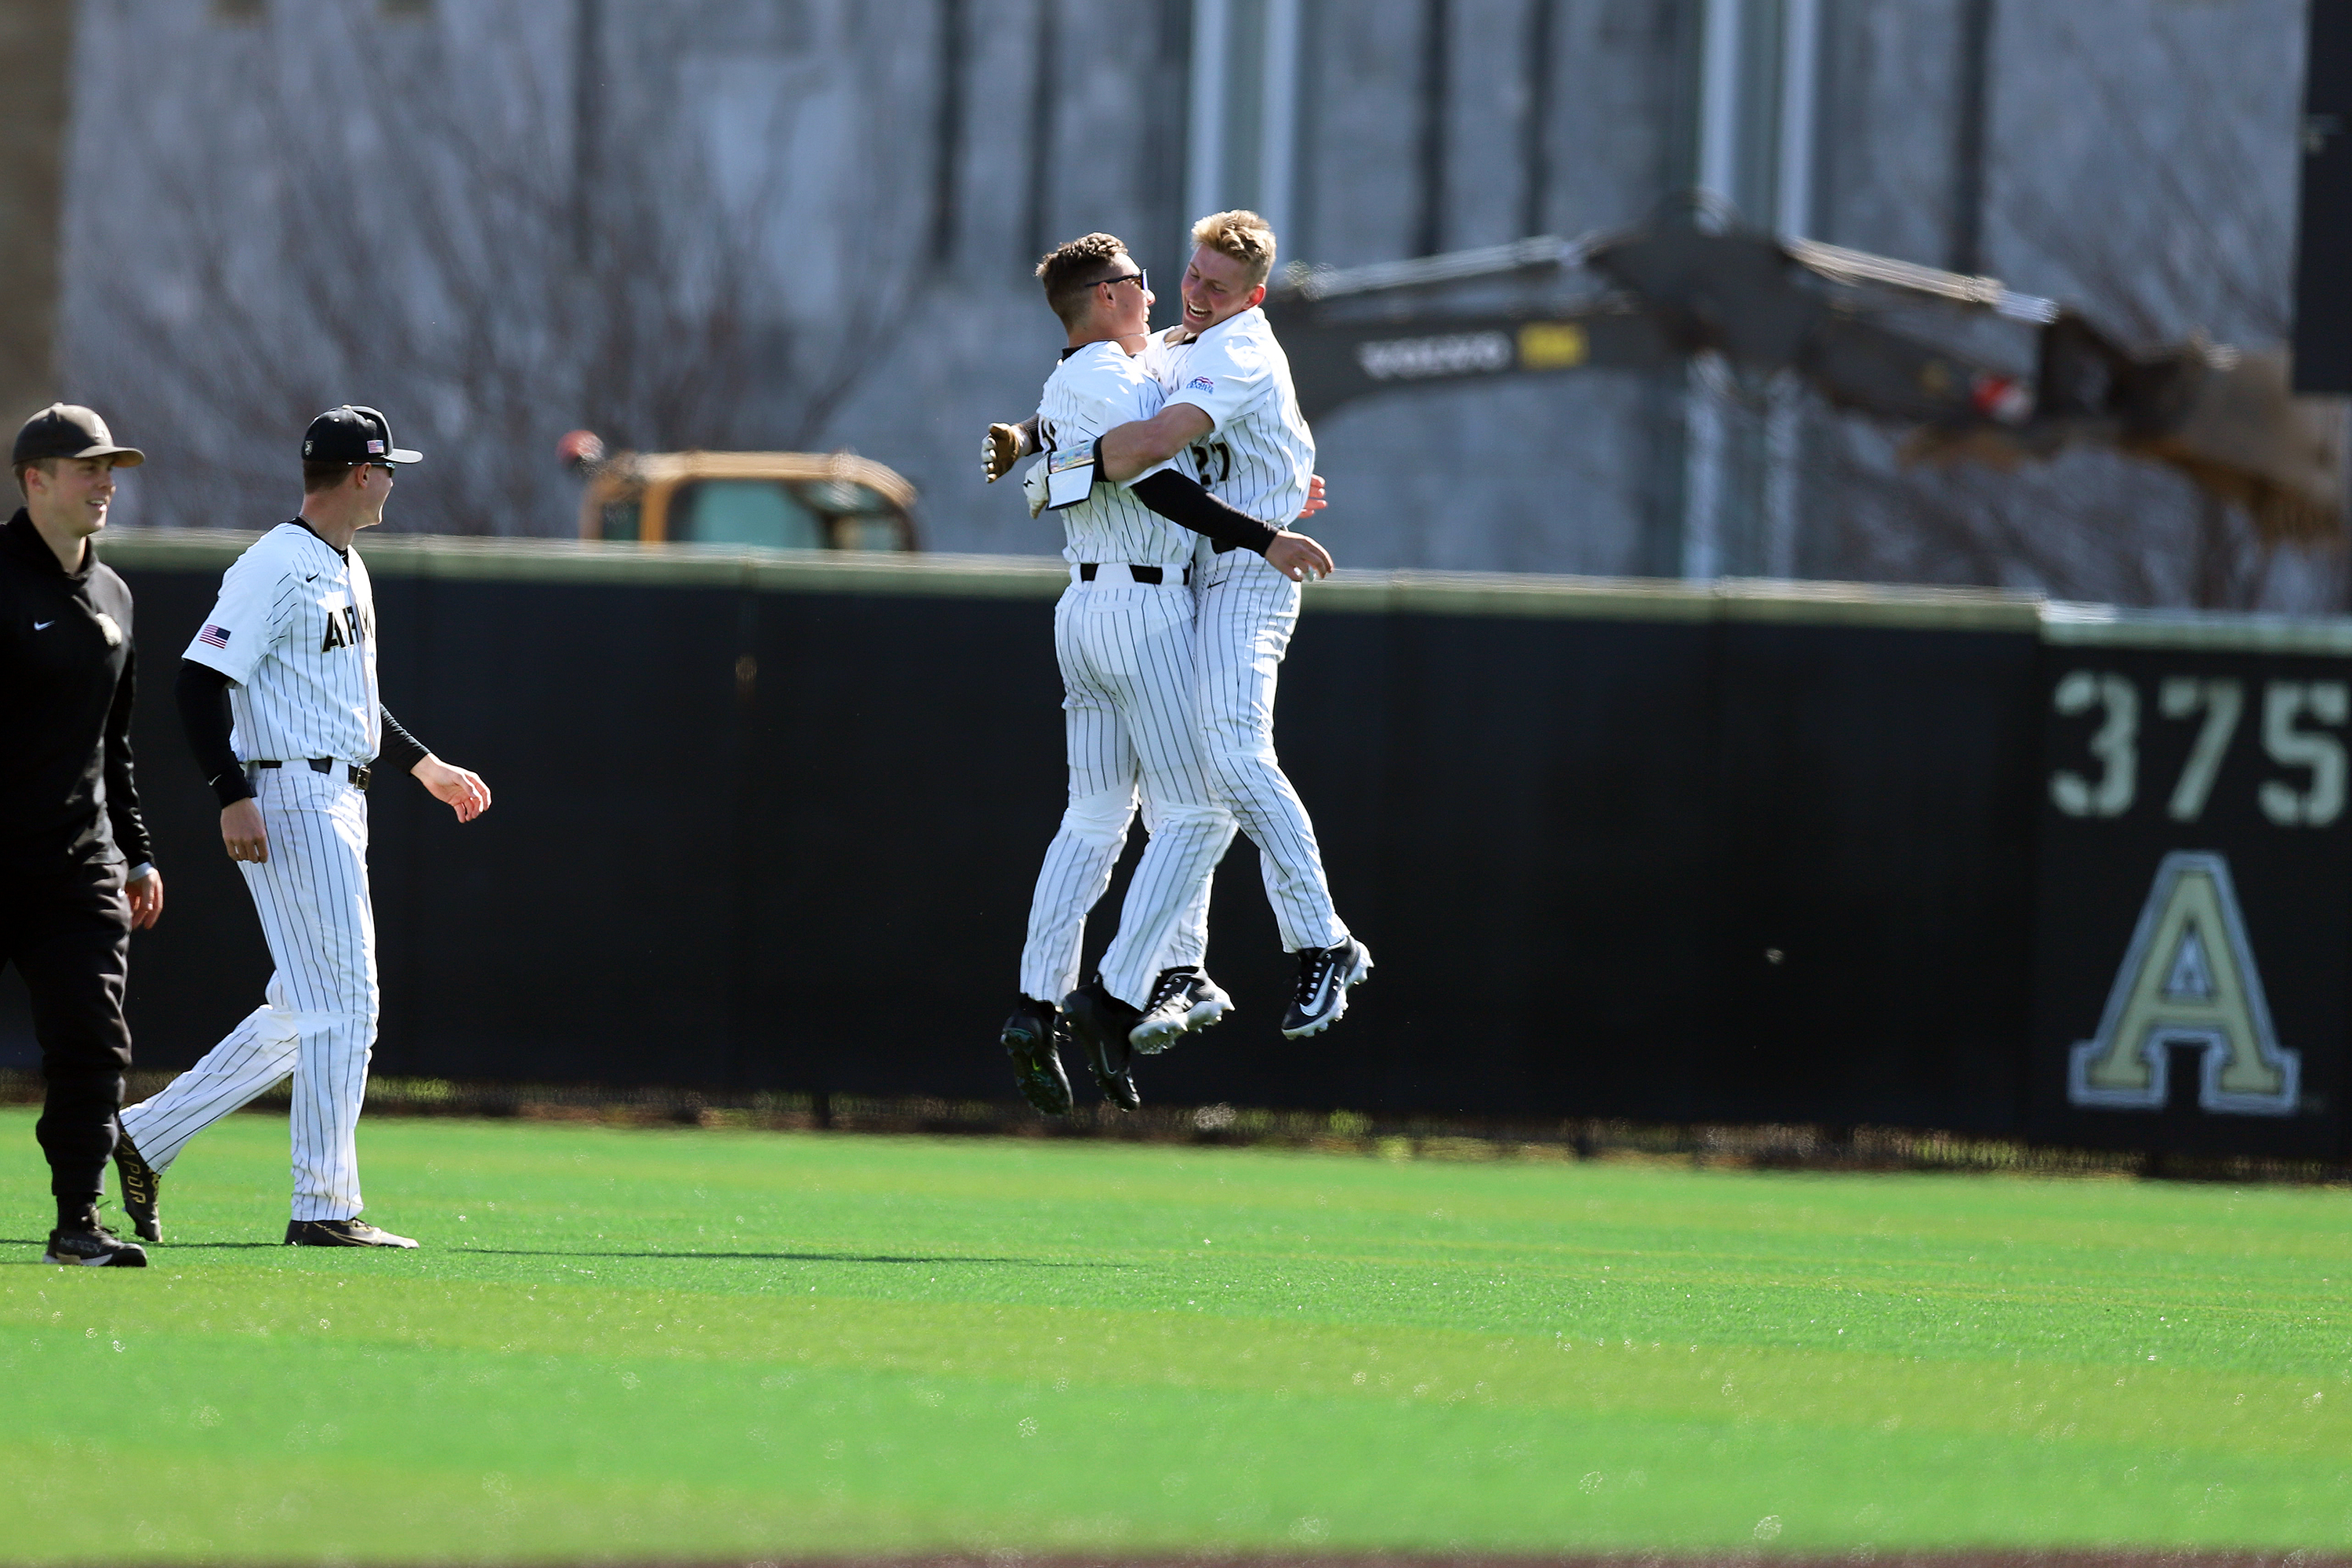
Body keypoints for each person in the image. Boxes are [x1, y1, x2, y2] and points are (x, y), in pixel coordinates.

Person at [114, 406, 490, 1248]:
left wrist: (422, 764)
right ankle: (323, 1204)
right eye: (389, 468)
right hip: (289, 798)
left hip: (336, 794)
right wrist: (230, 790)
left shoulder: (344, 565)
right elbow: (197, 680)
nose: (394, 481)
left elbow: (345, 703)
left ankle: (146, 1133)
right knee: (349, 1003)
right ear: (361, 473)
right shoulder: (277, 563)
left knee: (303, 1006)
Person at [997, 234, 1331, 1115]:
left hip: (1086, 609)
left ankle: (1035, 1007)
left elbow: (1101, 442)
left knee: (1096, 816)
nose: (1160, 293)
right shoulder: (1114, 375)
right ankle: (1126, 988)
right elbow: (1148, 473)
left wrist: (1275, 483)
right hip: (1144, 609)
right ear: (1108, 296)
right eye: (1143, 281)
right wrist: (1265, 533)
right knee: (1202, 807)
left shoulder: (1087, 370)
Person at [0, 405, 160, 1266]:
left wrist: (134, 849)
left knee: (95, 1045)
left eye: (111, 469)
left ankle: (78, 1222)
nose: (104, 483)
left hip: (76, 865)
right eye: (86, 467)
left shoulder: (114, 595)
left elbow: (115, 743)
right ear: (35, 480)